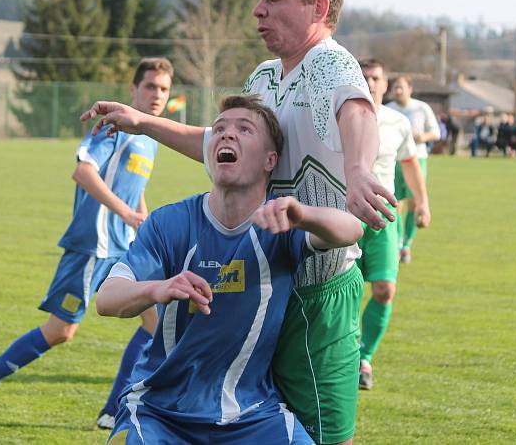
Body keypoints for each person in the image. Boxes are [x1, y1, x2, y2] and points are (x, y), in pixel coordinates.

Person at [82, 0, 388, 445]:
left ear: (318, 6)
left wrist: (356, 169)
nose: (258, 11)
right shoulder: (265, 77)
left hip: (316, 288)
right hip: (266, 280)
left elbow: (357, 111)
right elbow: (220, 139)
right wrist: (142, 122)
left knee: (325, 435)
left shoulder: (332, 63)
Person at [97, 94, 363, 445]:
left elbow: (351, 230)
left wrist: (304, 215)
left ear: (271, 160)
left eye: (244, 129)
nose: (226, 135)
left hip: (251, 414)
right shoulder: (171, 223)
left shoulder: (280, 223)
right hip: (159, 411)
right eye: (219, 129)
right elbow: (106, 299)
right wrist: (155, 289)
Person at [0, 58, 174, 432]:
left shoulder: (149, 140)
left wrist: (144, 220)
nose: (157, 95)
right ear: (133, 90)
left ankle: (112, 411)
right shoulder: (112, 130)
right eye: (150, 86)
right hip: (93, 246)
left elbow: (134, 189)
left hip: (122, 247)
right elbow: (83, 171)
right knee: (60, 331)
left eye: (164, 89)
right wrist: (124, 213)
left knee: (157, 324)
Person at [358, 59, 431, 390]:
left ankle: (364, 358)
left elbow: (411, 164)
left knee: (385, 290)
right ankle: (345, 357)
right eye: (363, 76)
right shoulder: (338, 115)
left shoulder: (397, 123)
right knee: (344, 293)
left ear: (385, 84)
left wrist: (422, 203)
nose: (370, 82)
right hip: (345, 216)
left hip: (385, 218)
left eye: (375, 77)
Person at [386, 76, 440, 264]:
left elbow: (436, 132)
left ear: (410, 88)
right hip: (394, 161)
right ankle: (398, 243)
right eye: (395, 87)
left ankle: (406, 245)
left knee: (414, 204)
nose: (397, 91)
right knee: (394, 204)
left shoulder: (421, 108)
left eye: (401, 87)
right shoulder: (388, 109)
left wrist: (422, 136)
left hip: (417, 158)